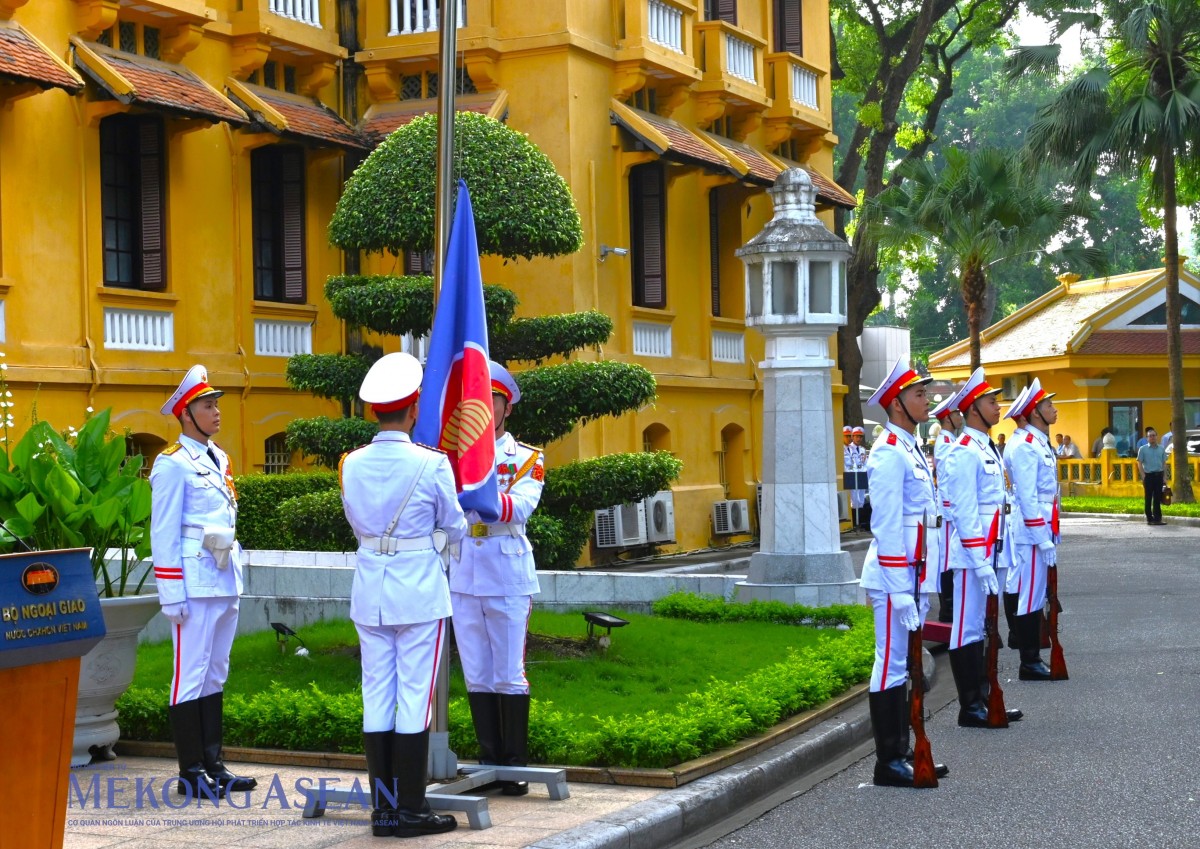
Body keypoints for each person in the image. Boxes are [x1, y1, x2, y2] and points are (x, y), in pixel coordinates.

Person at [340, 352, 466, 838]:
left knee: (377, 694)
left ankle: (385, 810)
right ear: (414, 408)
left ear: (375, 410)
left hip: (371, 587)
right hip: (417, 590)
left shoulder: (351, 463)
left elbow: (355, 521)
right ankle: (412, 811)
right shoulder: (430, 464)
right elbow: (453, 524)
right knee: (414, 697)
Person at [150, 365, 256, 799]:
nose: (216, 412)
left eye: (215, 405)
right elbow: (163, 532)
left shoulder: (220, 457)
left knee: (215, 672)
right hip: (193, 583)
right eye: (208, 406)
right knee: (189, 675)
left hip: (223, 576)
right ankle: (190, 770)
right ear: (186, 413)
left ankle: (214, 763)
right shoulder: (172, 464)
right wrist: (171, 592)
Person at [451, 361, 545, 796]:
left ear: (507, 408)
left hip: (507, 573)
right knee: (477, 672)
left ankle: (516, 767)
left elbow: (520, 507)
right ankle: (490, 760)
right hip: (465, 571)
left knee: (509, 672)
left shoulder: (526, 457)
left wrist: (479, 497)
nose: (486, 408)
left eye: (493, 400)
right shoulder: (452, 457)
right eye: (478, 400)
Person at [860, 357, 947, 787]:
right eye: (918, 394)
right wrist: (898, 591)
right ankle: (888, 760)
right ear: (896, 404)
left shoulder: (911, 446)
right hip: (894, 576)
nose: (926, 398)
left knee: (906, 664)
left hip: (914, 573)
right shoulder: (888, 452)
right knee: (891, 664)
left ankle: (905, 749)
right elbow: (888, 526)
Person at [940, 367, 1023, 728]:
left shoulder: (986, 445)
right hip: (975, 553)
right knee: (967, 626)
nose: (998, 407)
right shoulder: (963, 451)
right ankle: (969, 704)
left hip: (993, 548)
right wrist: (979, 559)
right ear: (973, 408)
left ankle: (986, 694)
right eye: (992, 402)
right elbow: (964, 509)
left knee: (985, 624)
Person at [1003, 378, 1061, 680]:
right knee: (1029, 593)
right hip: (1031, 527)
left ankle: (1031, 653)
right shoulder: (1026, 446)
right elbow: (1027, 496)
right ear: (1035, 412)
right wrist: (1042, 538)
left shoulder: (1036, 441)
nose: (1054, 409)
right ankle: (1029, 661)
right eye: (1049, 405)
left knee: (1033, 592)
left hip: (1040, 522)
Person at [930, 386, 967, 624]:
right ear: (947, 418)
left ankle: (952, 606)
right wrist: (951, 511)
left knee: (950, 558)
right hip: (948, 512)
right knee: (946, 559)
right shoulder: (946, 442)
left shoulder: (951, 440)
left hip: (951, 510)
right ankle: (948, 609)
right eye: (957, 414)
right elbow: (946, 480)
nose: (960, 417)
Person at [1136, 428, 1167, 525]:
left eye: (1154, 435)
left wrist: (1164, 477)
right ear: (1147, 438)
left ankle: (1158, 518)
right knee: (1148, 497)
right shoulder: (1143, 449)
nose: (1152, 437)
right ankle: (1149, 518)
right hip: (1148, 476)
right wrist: (1143, 476)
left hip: (1159, 476)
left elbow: (1164, 463)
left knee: (1158, 497)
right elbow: (1139, 463)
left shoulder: (1161, 449)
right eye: (1150, 436)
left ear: (1156, 437)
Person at [843, 425, 868, 529]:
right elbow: (847, 464)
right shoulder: (848, 449)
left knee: (861, 499)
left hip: (861, 476)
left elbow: (865, 463)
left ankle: (861, 523)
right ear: (853, 437)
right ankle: (854, 523)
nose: (859, 439)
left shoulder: (862, 450)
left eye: (860, 437)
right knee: (854, 499)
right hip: (852, 476)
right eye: (857, 436)